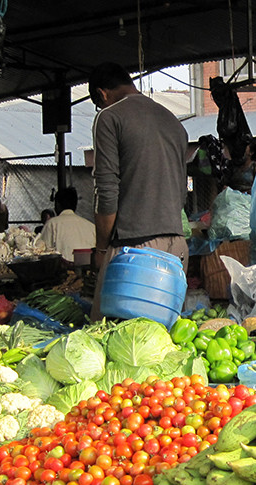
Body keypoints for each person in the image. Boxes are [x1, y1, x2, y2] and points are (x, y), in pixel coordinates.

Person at [88, 62, 190, 317]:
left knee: (109, 336)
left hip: (136, 253)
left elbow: (107, 192)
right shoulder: (174, 122)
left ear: (102, 94)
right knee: (163, 342)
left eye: (98, 103)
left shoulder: (109, 117)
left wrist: (101, 250)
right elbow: (182, 192)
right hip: (177, 247)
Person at [40, 187, 95, 262]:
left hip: (62, 272)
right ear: (75, 205)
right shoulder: (91, 226)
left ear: (57, 204)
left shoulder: (52, 224)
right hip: (88, 271)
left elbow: (40, 251)